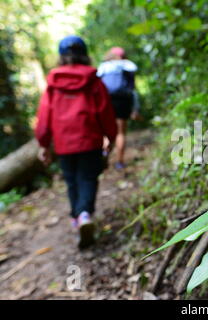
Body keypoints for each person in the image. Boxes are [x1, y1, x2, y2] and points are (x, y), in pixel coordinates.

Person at [35, 35, 118, 249]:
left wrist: (44, 144)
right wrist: (111, 137)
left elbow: (44, 116)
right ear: (84, 55)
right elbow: (105, 112)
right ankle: (84, 215)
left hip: (64, 144)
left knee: (71, 181)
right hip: (89, 139)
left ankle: (76, 218)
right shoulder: (94, 81)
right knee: (88, 178)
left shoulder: (53, 84)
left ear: (62, 57)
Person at [97, 47, 140, 170]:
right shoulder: (127, 66)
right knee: (120, 132)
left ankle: (105, 150)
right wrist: (135, 109)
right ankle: (119, 161)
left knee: (105, 130)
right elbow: (132, 89)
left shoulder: (104, 66)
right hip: (123, 101)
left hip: (107, 100)